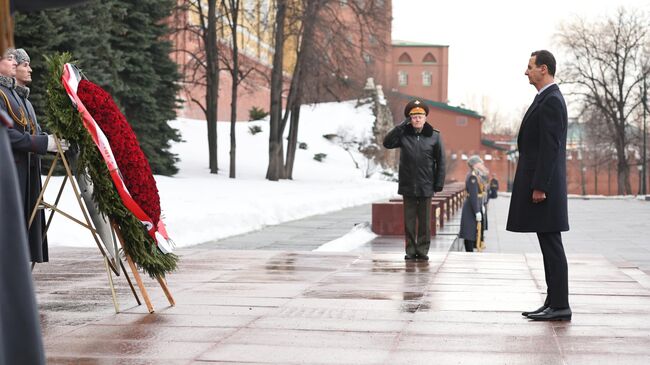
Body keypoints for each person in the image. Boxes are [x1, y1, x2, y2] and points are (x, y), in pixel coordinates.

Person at [507, 50, 570, 321]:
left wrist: (540, 186)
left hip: (546, 188)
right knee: (547, 243)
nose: (526, 71)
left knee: (552, 244)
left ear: (543, 69)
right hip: (543, 185)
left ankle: (560, 305)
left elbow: (550, 147)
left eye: (530, 66)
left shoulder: (551, 100)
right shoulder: (546, 98)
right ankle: (553, 300)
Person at [383, 99, 446, 261]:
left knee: (425, 221)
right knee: (409, 221)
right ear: (409, 119)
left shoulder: (434, 136)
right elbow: (387, 143)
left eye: (420, 116)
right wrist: (400, 127)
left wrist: (438, 183)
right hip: (408, 184)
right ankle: (411, 251)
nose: (417, 119)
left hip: (426, 184)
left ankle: (423, 250)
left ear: (425, 118)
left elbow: (441, 162)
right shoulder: (404, 134)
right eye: (414, 117)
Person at [11, 48, 52, 264]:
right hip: (11, 175)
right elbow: (7, 135)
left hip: (28, 173)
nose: (30, 69)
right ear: (11, 66)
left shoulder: (25, 101)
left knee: (24, 232)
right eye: (25, 64)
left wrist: (53, 141)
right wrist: (44, 143)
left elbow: (32, 132)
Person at [458, 155, 485, 252]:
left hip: (474, 205)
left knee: (472, 230)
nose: (482, 164)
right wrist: (477, 211)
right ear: (474, 165)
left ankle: (470, 250)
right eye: (480, 163)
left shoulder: (476, 175)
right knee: (469, 231)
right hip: (471, 206)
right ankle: (469, 252)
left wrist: (481, 206)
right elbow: (473, 195)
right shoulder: (472, 176)